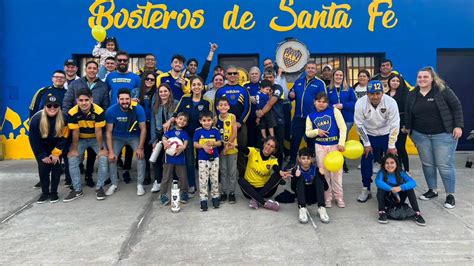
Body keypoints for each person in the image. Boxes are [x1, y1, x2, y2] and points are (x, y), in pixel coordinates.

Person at [405, 66, 463, 209]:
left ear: (432, 78)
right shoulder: (412, 94)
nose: (422, 79)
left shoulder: (442, 91)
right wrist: (409, 129)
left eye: (425, 77)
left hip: (444, 135)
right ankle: (432, 190)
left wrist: (458, 126)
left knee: (444, 165)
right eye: (420, 77)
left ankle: (450, 195)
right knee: (428, 164)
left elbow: (457, 107)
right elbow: (408, 113)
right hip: (420, 135)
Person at [63, 61, 110, 187]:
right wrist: (69, 118)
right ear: (85, 69)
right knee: (75, 155)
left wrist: (99, 119)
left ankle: (89, 176)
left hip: (96, 123)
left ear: (97, 70)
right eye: (89, 68)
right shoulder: (75, 84)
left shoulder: (103, 86)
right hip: (77, 123)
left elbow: (106, 105)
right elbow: (67, 101)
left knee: (93, 155)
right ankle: (72, 181)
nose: (92, 70)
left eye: (95, 68)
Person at [354, 80, 400, 203]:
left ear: (383, 93)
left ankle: (393, 188)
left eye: (378, 93)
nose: (375, 97)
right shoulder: (360, 103)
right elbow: (359, 125)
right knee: (366, 162)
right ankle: (366, 188)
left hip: (386, 134)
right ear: (367, 93)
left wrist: (391, 145)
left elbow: (395, 125)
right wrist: (366, 143)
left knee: (392, 162)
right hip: (369, 134)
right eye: (372, 94)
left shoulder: (391, 102)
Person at [63, 88, 109, 202]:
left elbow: (98, 131)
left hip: (95, 138)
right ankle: (77, 190)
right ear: (77, 101)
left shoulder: (99, 111)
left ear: (91, 99)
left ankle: (100, 188)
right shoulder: (72, 112)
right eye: (81, 100)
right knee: (72, 159)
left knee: (103, 158)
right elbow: (75, 132)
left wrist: (101, 149)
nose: (83, 103)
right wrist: (74, 149)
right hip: (80, 139)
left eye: (86, 100)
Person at [305, 92, 347, 207]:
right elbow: (308, 133)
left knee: (337, 173)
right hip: (320, 147)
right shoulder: (311, 116)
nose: (321, 104)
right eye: (319, 101)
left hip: (334, 147)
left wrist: (341, 142)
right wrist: (317, 132)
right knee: (323, 172)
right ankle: (327, 197)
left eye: (324, 102)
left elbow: (343, 127)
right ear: (314, 102)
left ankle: (339, 197)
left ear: (327, 103)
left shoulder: (334, 111)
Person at [105, 51, 141, 182]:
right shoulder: (110, 77)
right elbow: (105, 93)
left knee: (130, 141)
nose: (122, 62)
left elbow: (138, 95)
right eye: (119, 60)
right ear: (116, 62)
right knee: (115, 142)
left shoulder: (136, 78)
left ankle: (126, 170)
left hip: (131, 114)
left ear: (128, 62)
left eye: (124, 60)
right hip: (114, 114)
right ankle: (112, 173)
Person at [173, 76, 211, 194]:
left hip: (203, 136)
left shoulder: (207, 101)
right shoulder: (184, 99)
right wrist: (170, 121)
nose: (196, 87)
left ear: (203, 86)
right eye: (194, 84)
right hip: (187, 135)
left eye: (199, 84)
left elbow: (212, 117)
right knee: (190, 161)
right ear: (190, 86)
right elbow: (176, 114)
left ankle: (207, 185)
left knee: (204, 161)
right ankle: (192, 185)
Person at [105, 89, 147, 196]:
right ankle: (114, 184)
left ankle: (139, 184)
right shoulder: (111, 111)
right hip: (117, 137)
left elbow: (143, 129)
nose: (125, 101)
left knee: (140, 157)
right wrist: (110, 151)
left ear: (130, 99)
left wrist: (140, 147)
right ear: (117, 100)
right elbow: (109, 131)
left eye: (127, 99)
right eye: (122, 99)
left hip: (134, 136)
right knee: (112, 158)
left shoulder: (138, 109)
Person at [29, 94, 69, 203]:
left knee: (56, 168)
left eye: (55, 105)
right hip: (42, 148)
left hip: (56, 147)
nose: (52, 108)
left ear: (59, 107)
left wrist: (56, 153)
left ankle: (54, 193)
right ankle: (45, 193)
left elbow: (65, 137)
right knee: (43, 169)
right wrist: (42, 156)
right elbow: (33, 140)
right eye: (49, 105)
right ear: (45, 107)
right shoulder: (36, 119)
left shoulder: (64, 118)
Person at [214, 65, 251, 179]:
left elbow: (247, 107)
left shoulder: (244, 90)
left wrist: (240, 122)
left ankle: (242, 175)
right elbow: (216, 108)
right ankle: (221, 174)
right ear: (226, 75)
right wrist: (221, 122)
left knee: (240, 149)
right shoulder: (220, 90)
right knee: (222, 149)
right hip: (223, 126)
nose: (232, 76)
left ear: (238, 75)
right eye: (230, 73)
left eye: (235, 73)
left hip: (240, 125)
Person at [288, 60, 326, 166]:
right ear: (305, 69)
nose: (310, 70)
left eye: (312, 68)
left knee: (311, 142)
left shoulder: (319, 83)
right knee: (295, 141)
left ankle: (310, 163)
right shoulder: (298, 81)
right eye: (308, 68)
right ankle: (292, 161)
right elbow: (291, 94)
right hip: (298, 117)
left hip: (312, 119)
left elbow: (323, 101)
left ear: (316, 70)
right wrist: (291, 94)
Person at [236, 137, 291, 211]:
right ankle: (264, 203)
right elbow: (245, 149)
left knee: (278, 174)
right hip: (249, 190)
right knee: (241, 180)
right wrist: (236, 145)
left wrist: (281, 172)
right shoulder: (254, 151)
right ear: (264, 144)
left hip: (265, 191)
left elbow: (276, 167)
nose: (268, 147)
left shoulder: (273, 159)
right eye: (268, 144)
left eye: (272, 146)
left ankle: (255, 199)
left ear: (274, 150)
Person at [375, 154, 426, 226]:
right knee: (381, 189)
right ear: (383, 165)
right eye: (387, 163)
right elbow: (378, 182)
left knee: (409, 188)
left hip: (399, 199)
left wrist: (400, 187)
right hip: (387, 199)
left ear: (396, 163)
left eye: (392, 163)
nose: (389, 165)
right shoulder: (381, 173)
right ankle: (382, 212)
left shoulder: (401, 172)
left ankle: (417, 212)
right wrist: (391, 189)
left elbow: (413, 183)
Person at [149, 83, 179, 193]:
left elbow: (177, 118)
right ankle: (158, 181)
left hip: (172, 135)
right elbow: (153, 122)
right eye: (161, 91)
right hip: (158, 134)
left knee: (172, 158)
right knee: (156, 158)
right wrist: (153, 140)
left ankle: (175, 180)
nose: (163, 93)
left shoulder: (175, 103)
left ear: (169, 92)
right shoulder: (156, 105)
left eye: (165, 91)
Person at [327, 69, 357, 173]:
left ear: (343, 77)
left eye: (341, 75)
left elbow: (354, 103)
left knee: (343, 140)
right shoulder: (328, 89)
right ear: (333, 76)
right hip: (334, 119)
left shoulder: (349, 89)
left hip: (347, 119)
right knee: (335, 140)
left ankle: (343, 163)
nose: (338, 77)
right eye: (336, 75)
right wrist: (333, 106)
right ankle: (336, 161)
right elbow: (324, 103)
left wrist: (343, 106)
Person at [291, 148, 329, 224]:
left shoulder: (316, 169)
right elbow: (293, 188)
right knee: (300, 178)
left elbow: (326, 187)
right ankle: (302, 209)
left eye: (308, 158)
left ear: (311, 159)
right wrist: (296, 177)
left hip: (314, 197)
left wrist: (322, 176)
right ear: (299, 159)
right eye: (303, 158)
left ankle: (321, 208)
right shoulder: (296, 170)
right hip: (302, 197)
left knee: (317, 177)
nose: (306, 161)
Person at [194, 110, 222, 211]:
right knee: (203, 180)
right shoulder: (198, 131)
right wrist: (203, 147)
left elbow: (219, 142)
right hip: (202, 159)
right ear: (200, 121)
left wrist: (213, 143)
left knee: (214, 179)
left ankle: (215, 198)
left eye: (209, 120)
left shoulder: (215, 130)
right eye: (204, 120)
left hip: (214, 158)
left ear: (212, 121)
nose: (206, 122)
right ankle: (203, 200)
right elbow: (194, 144)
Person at [133, 71, 158, 185]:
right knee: (141, 148)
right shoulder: (136, 92)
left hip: (151, 123)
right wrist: (133, 102)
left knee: (150, 149)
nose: (149, 81)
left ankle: (154, 174)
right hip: (138, 124)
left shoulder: (157, 93)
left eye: (152, 79)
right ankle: (146, 173)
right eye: (147, 79)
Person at [160, 112, 189, 206]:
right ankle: (163, 194)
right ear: (176, 119)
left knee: (183, 176)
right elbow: (164, 137)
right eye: (180, 119)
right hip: (168, 159)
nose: (182, 121)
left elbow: (185, 143)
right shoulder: (170, 130)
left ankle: (184, 193)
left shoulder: (184, 133)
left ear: (186, 123)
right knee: (166, 177)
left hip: (180, 159)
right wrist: (165, 142)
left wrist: (182, 147)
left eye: (184, 120)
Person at [257, 68, 286, 164]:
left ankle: (279, 170)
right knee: (264, 146)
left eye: (271, 77)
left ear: (274, 77)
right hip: (265, 122)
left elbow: (270, 103)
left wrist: (259, 115)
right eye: (266, 77)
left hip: (278, 121)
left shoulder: (278, 88)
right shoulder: (261, 88)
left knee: (278, 147)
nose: (269, 79)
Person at [215, 96, 238, 204]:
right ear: (217, 107)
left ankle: (232, 193)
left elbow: (234, 133)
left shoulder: (232, 116)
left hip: (231, 148)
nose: (223, 107)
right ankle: (224, 192)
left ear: (228, 107)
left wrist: (227, 147)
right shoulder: (216, 119)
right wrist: (222, 148)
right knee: (223, 171)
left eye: (225, 105)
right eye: (221, 105)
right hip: (221, 149)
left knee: (232, 172)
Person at [387, 74, 409, 172]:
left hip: (401, 123)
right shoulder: (386, 95)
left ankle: (407, 170)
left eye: (397, 81)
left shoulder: (405, 94)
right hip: (389, 124)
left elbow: (408, 111)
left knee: (401, 147)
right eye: (393, 80)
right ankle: (397, 169)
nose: (395, 82)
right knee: (392, 147)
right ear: (389, 82)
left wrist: (406, 125)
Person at [243, 66, 261, 148]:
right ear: (249, 75)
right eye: (252, 74)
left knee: (261, 139)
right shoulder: (245, 86)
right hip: (249, 118)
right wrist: (248, 98)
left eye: (256, 73)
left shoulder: (263, 85)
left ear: (259, 75)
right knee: (250, 140)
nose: (254, 75)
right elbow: (241, 98)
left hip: (262, 117)